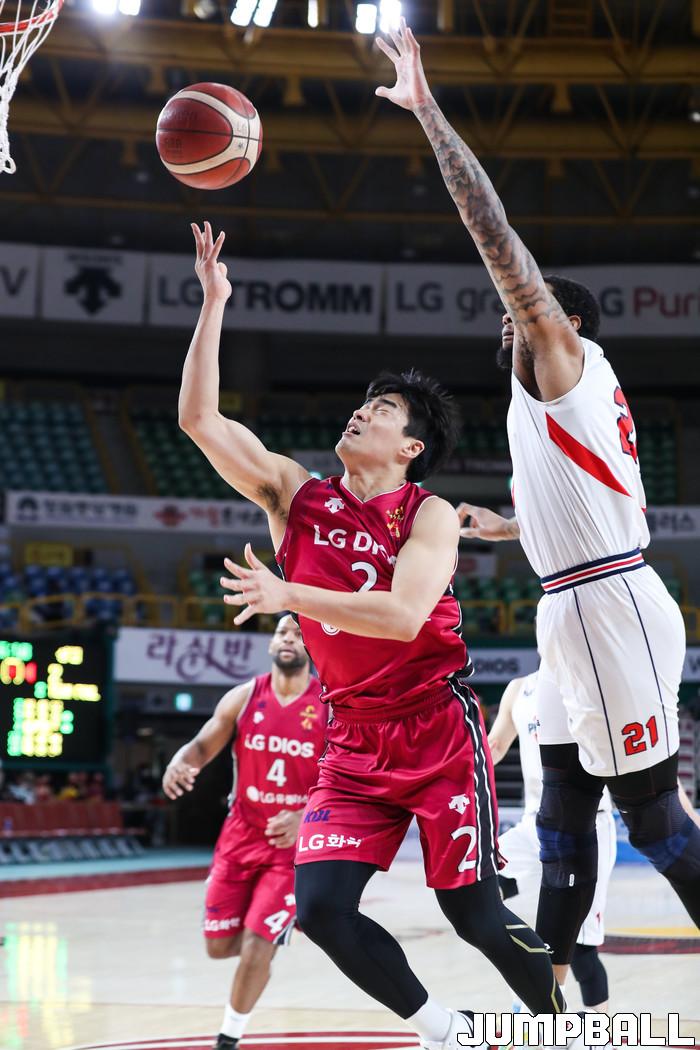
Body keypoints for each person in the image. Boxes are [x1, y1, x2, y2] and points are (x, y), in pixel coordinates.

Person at [372, 15, 699, 998]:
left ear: (563, 320)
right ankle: (556, 987)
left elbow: (496, 234)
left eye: (521, 312)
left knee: (653, 819)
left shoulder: (562, 359)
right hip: (580, 598)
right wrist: (507, 526)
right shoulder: (568, 407)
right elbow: (597, 505)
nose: (506, 324)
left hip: (606, 607)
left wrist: (427, 111)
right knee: (559, 810)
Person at [180, 222, 568, 1050]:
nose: (362, 412)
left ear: (411, 447)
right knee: (321, 910)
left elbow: (400, 617)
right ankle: (445, 1030)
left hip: (434, 728)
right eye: (363, 404)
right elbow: (200, 419)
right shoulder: (295, 495)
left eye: (382, 410)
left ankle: (561, 1030)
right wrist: (214, 303)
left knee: (476, 916)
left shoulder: (429, 514)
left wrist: (288, 592)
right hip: (353, 739)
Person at [162, 615, 327, 1050]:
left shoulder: (330, 706)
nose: (288, 639)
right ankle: (273, 932)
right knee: (218, 947)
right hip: (240, 835)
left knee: (257, 944)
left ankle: (228, 1037)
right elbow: (202, 745)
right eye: (281, 633)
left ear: (313, 646)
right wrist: (180, 762)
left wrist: (305, 815)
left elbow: (346, 780)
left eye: (298, 635)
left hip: (293, 848)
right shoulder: (244, 696)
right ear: (271, 644)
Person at [489, 670, 616, 1013]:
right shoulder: (518, 688)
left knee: (582, 949)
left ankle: (598, 1027)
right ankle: (531, 993)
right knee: (475, 887)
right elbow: (494, 746)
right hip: (533, 824)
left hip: (586, 824)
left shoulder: (588, 680)